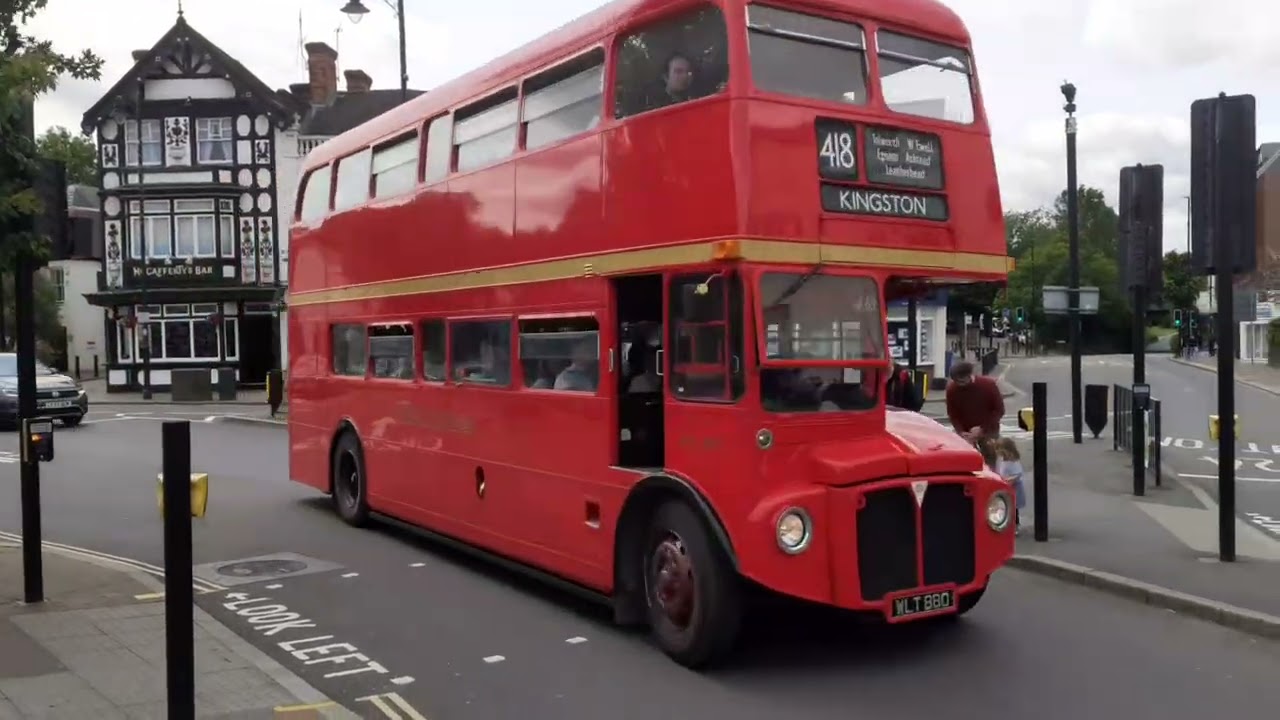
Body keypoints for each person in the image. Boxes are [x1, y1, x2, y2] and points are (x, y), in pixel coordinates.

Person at [944, 361, 1003, 442]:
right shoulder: (952, 389)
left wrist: (982, 428)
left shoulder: (988, 385)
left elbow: (999, 410)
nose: (960, 384)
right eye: (956, 382)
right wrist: (960, 431)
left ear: (970, 376)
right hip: (966, 434)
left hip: (989, 432)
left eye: (962, 381)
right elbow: (953, 414)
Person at [996, 437, 1026, 534]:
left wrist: (1009, 480)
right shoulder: (1003, 461)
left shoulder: (1013, 461)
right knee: (1008, 506)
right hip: (1006, 486)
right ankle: (1009, 524)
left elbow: (1018, 474)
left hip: (1014, 488)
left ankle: (1015, 526)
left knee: (1013, 507)